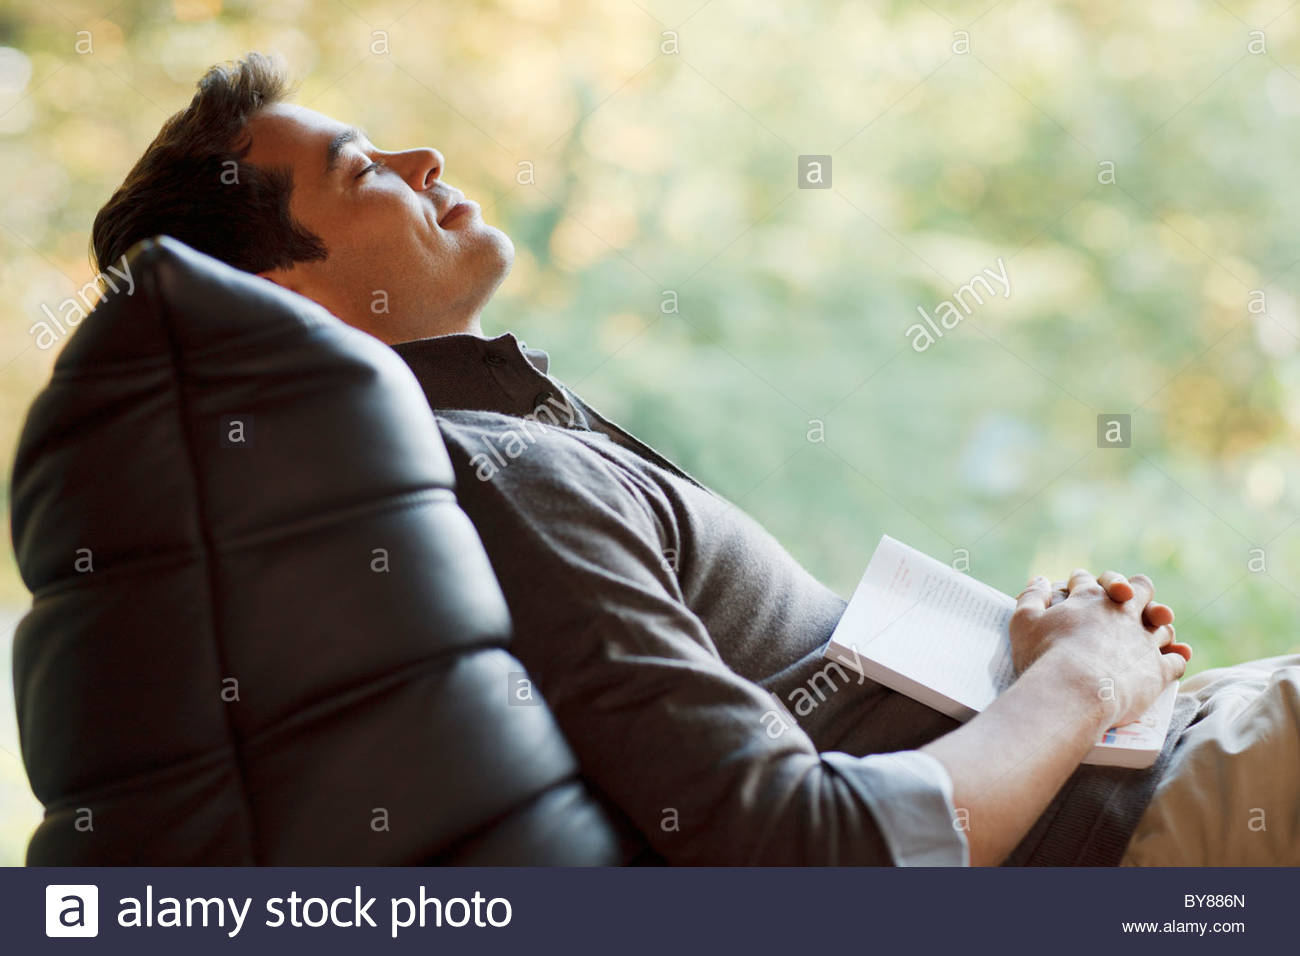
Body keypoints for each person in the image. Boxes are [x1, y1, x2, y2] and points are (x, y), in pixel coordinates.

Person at [88, 53, 1299, 866]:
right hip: (1153, 818)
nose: (424, 162)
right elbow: (802, 851)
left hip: (1175, 754)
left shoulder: (489, 454)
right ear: (294, 296)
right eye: (363, 171)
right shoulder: (487, 476)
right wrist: (1082, 675)